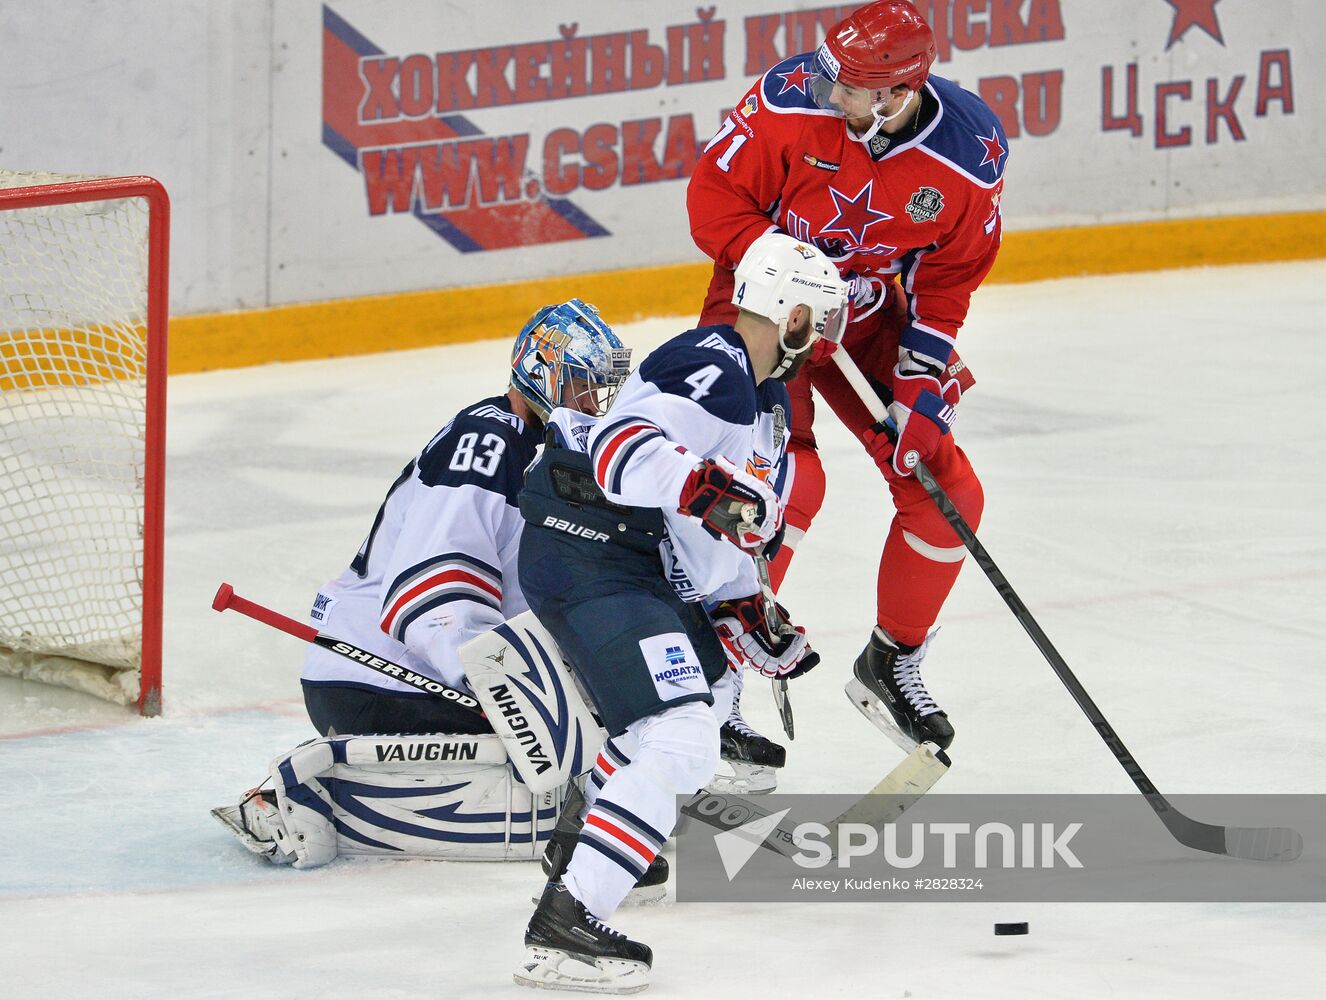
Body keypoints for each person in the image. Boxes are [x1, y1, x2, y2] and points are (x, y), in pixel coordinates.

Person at [512, 233, 847, 994]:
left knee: (700, 690)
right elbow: (622, 452)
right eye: (819, 322)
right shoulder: (717, 364)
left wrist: (741, 606)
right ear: (793, 316)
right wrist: (708, 493)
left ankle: (582, 847)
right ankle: (568, 916)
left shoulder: (759, 393)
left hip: (626, 560)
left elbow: (708, 521)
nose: (824, 340)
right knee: (683, 735)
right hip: (591, 547)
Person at [686, 0, 1008, 754]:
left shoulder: (969, 149)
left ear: (899, 94)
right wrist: (789, 271)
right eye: (836, 78)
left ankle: (892, 660)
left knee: (947, 493)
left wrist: (922, 377)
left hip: (863, 312)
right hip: (763, 307)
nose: (834, 94)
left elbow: (952, 269)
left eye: (855, 89)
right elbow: (713, 201)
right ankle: (705, 680)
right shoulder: (784, 105)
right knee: (783, 482)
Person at [299, 299, 631, 736]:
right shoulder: (487, 441)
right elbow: (431, 589)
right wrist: (500, 683)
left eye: (599, 389)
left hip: (408, 678)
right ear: (541, 372)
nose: (592, 404)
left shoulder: (537, 449)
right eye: (581, 386)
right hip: (384, 679)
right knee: (591, 747)